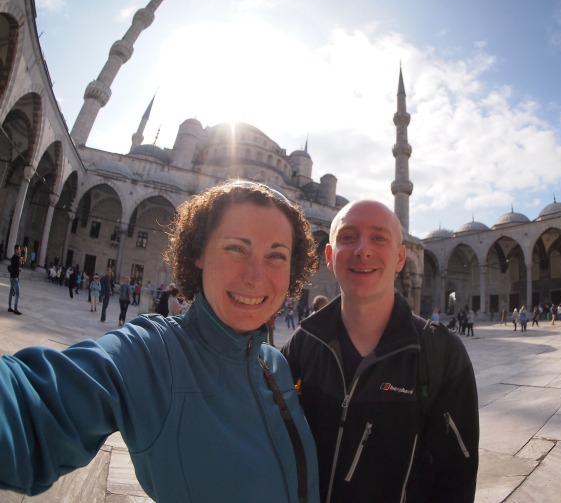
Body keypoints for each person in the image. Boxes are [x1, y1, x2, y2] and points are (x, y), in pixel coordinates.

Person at [0, 180, 321, 502]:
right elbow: (31, 408)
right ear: (199, 252)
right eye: (237, 248)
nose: (256, 277)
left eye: (276, 256)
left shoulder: (274, 364)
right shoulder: (153, 354)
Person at [282, 199, 478, 503]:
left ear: (400, 258)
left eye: (379, 237)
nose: (363, 250)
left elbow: (456, 480)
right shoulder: (304, 343)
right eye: (348, 237)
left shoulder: (440, 354)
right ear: (330, 257)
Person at [7, 244, 22, 315]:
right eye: (19, 249)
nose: (20, 250)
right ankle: (15, 309)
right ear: (16, 249)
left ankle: (10, 307)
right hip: (15, 278)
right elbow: (24, 259)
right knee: (17, 294)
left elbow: (14, 265)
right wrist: (26, 252)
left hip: (12, 277)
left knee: (11, 293)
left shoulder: (13, 257)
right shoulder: (16, 257)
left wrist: (18, 269)